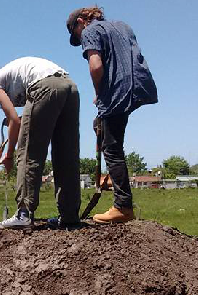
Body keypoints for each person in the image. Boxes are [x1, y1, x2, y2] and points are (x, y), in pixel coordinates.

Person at [66, 7, 157, 223]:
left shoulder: (90, 30)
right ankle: (113, 181)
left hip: (118, 89)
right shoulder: (122, 26)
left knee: (111, 147)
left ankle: (123, 206)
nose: (80, 38)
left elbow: (95, 66)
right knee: (110, 137)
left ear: (81, 22)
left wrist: (99, 94)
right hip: (141, 84)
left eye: (77, 33)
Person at [0, 56, 81, 229]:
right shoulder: (13, 78)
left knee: (28, 152)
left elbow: (14, 122)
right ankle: (69, 215)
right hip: (69, 86)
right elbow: (23, 119)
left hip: (44, 86)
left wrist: (9, 155)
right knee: (66, 154)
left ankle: (23, 213)